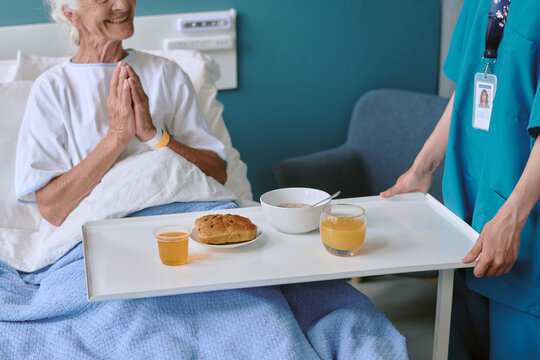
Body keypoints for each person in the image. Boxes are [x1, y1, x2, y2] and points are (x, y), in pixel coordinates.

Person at [6, 0, 409, 358]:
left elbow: (217, 173)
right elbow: (52, 208)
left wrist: (153, 135)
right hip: (104, 235)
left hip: (193, 221)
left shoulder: (166, 73)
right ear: (70, 14)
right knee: (127, 318)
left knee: (257, 309)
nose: (121, 4)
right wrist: (115, 140)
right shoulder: (51, 90)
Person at [381, 0, 540, 358]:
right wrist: (422, 169)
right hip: (466, 213)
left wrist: (512, 219)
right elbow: (469, 86)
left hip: (523, 226)